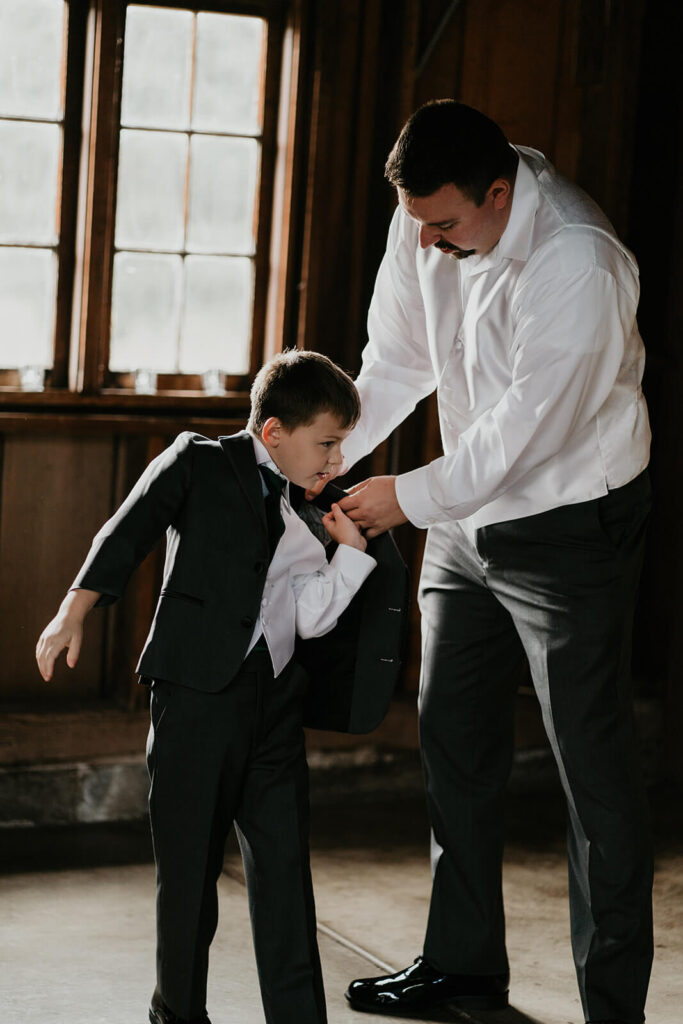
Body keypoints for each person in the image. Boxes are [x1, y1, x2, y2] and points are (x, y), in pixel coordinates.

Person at [337, 101, 653, 1024]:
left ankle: (612, 1008)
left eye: (443, 225)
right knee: (453, 740)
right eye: (416, 224)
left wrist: (405, 496)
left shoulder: (579, 262)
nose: (427, 244)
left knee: (590, 769)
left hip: (570, 523)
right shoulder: (425, 220)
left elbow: (526, 434)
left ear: (500, 193)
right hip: (461, 514)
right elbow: (394, 360)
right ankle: (462, 964)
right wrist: (317, 454)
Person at [35, 350, 407, 1024]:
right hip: (196, 700)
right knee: (188, 877)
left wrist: (350, 552)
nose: (335, 459)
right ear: (273, 433)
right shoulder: (198, 463)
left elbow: (312, 616)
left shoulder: (311, 510)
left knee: (284, 873)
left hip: (274, 706)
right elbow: (128, 530)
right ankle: (177, 1014)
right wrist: (74, 611)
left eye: (341, 445)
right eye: (327, 443)